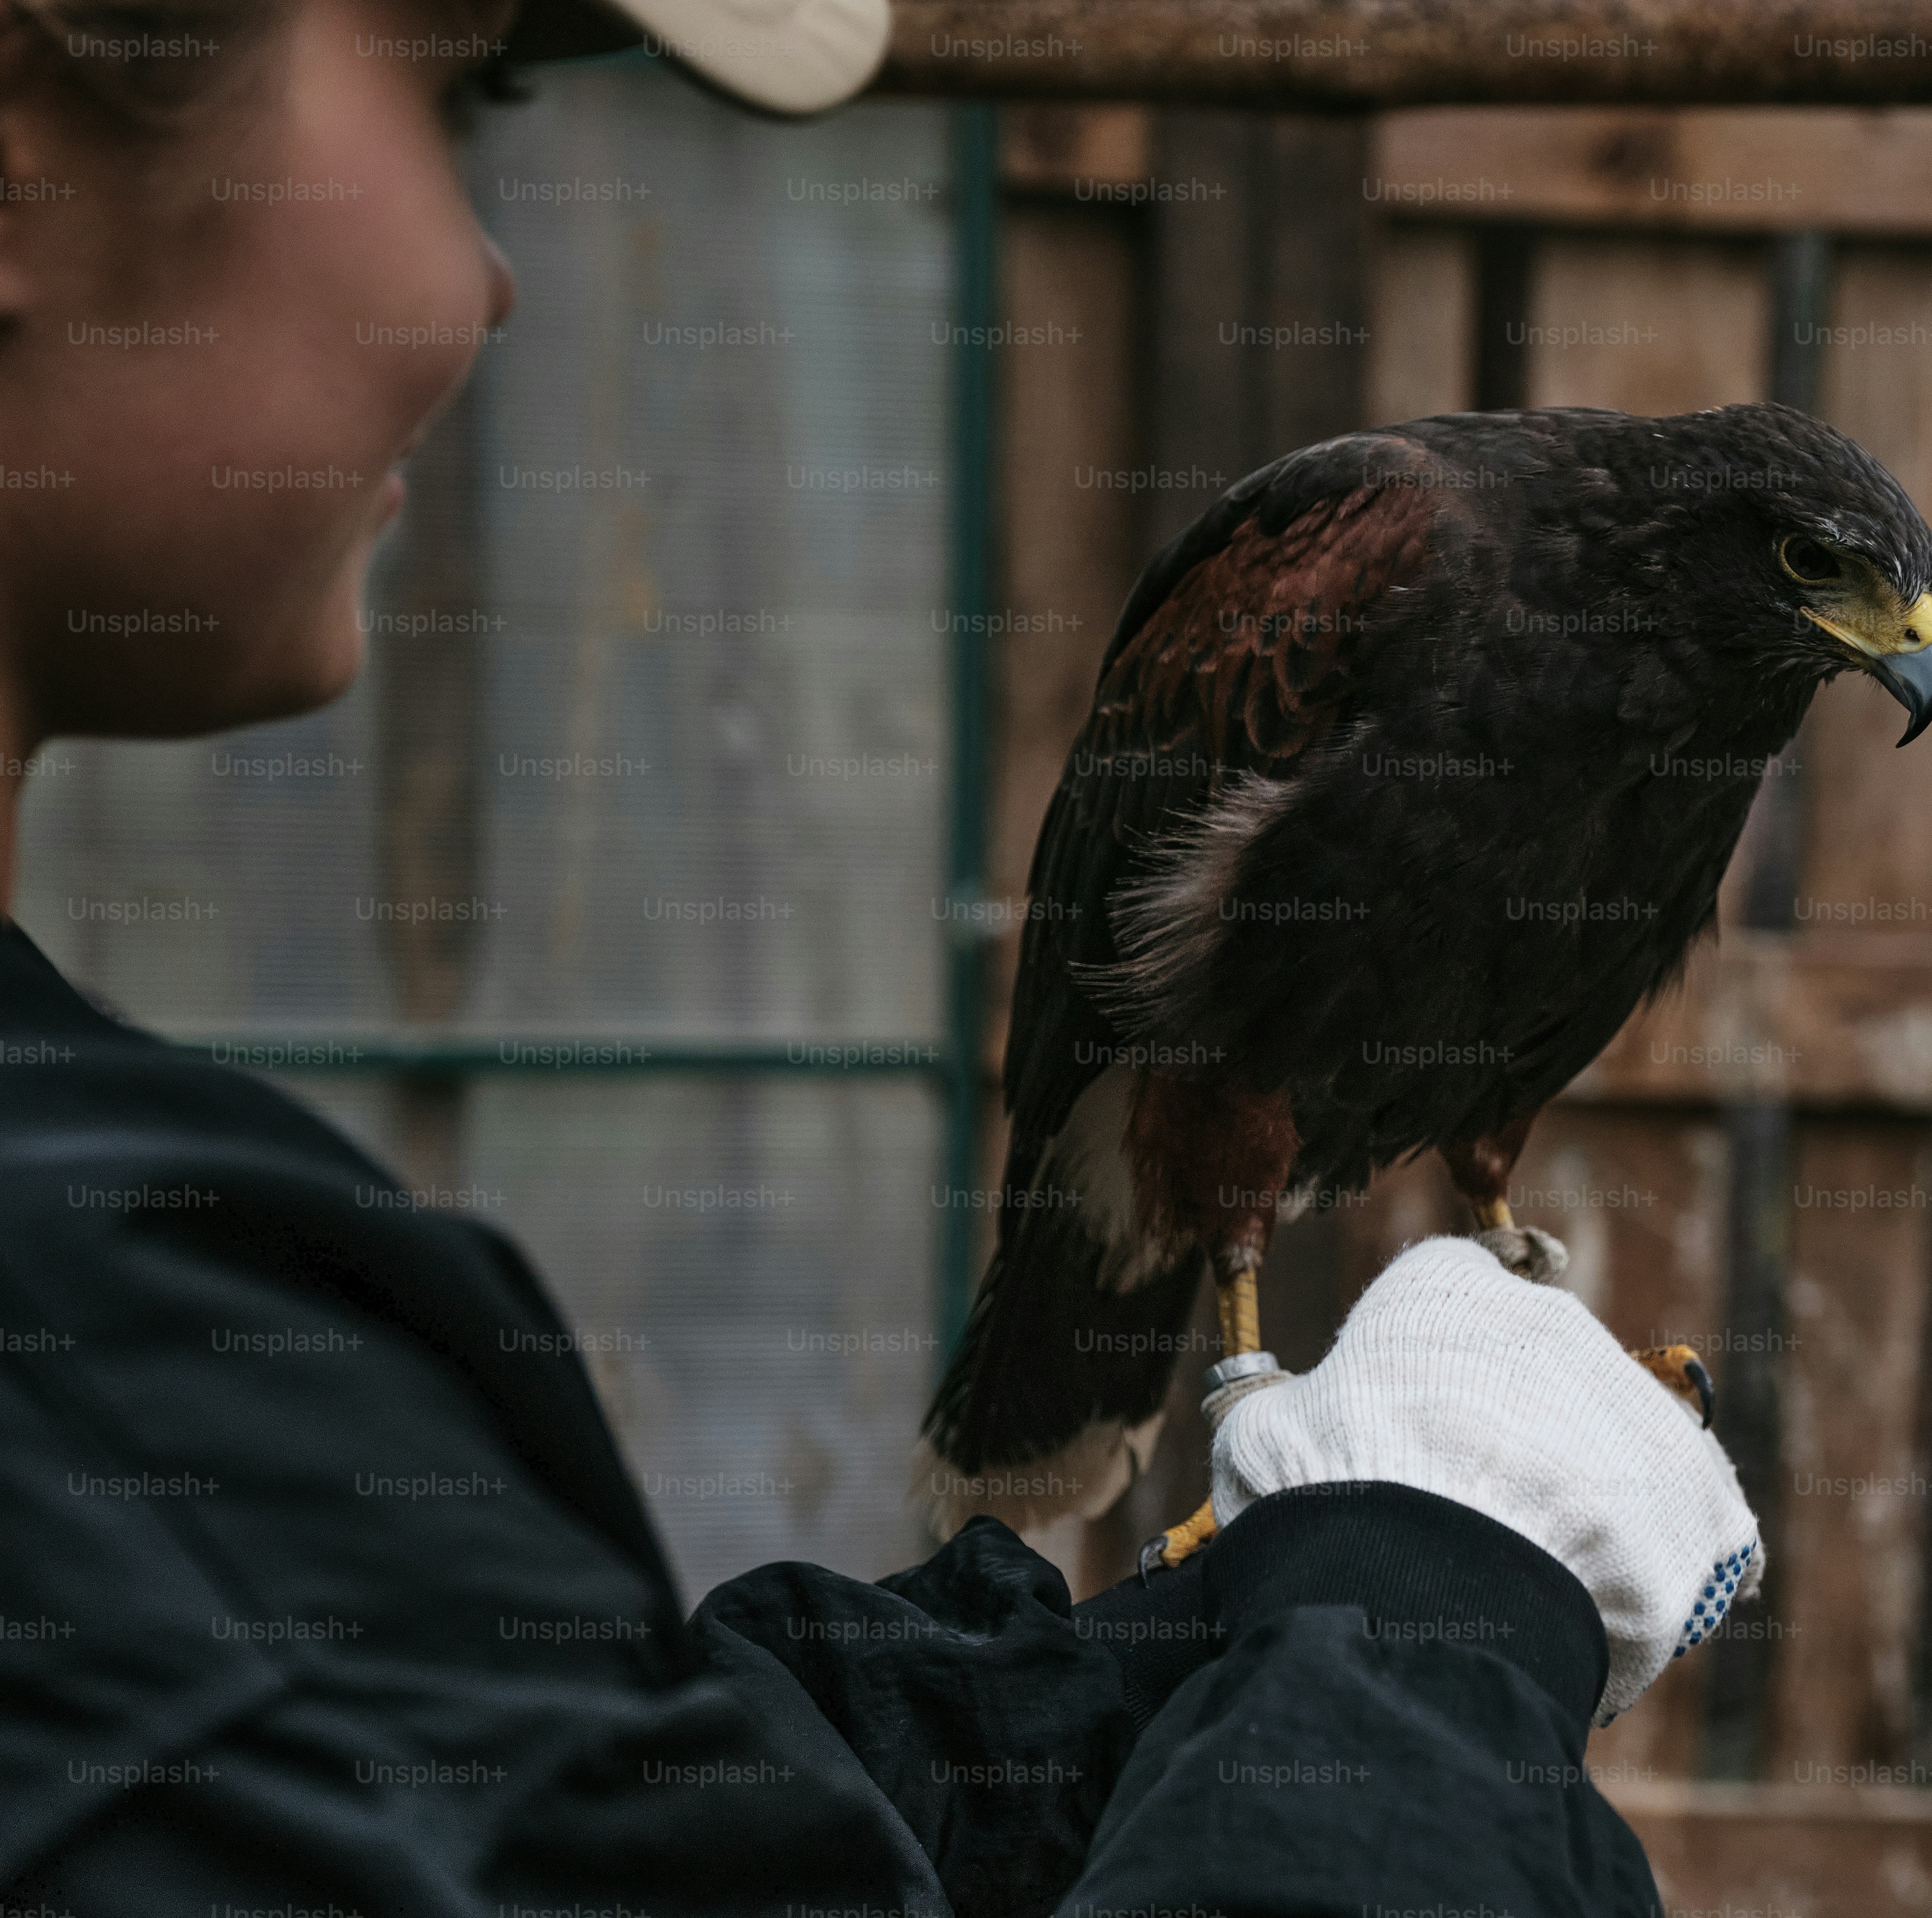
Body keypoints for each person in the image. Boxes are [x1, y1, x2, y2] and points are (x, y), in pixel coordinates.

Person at [0, 1, 1769, 1910]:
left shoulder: (143, 1384)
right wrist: (1427, 1605)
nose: (497, 278)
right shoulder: (121, 1364)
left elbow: (546, 1794)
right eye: (472, 94)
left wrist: (1133, 1688)